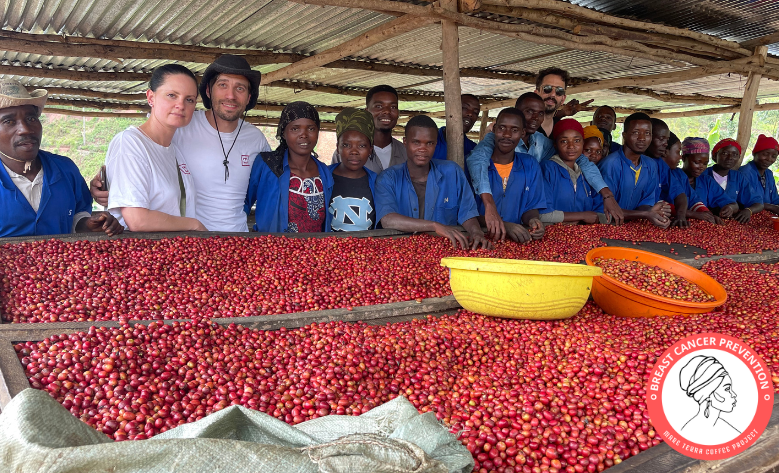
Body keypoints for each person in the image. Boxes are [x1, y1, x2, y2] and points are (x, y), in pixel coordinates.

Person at [92, 55, 271, 232]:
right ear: (209, 91)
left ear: (249, 97)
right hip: (178, 244)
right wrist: (106, 183)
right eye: (223, 85)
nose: (230, 95)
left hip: (227, 241)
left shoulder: (255, 139)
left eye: (189, 100)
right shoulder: (176, 128)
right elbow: (136, 151)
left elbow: (270, 184)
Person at [467, 92, 623, 239]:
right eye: (529, 111)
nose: (535, 118)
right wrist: (489, 205)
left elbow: (579, 160)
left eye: (540, 113)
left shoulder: (539, 148)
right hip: (483, 233)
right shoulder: (491, 144)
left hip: (520, 234)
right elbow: (477, 161)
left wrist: (606, 194)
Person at [0, 80, 122, 237]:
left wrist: (88, 224)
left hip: (62, 262)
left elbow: (77, 215)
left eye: (31, 119)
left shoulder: (65, 169)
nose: (25, 129)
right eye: (9, 121)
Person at [105, 65, 205, 232]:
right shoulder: (131, 143)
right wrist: (194, 225)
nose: (180, 105)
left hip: (173, 252)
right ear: (151, 97)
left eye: (189, 99)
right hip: (141, 253)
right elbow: (137, 220)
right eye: (172, 95)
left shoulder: (174, 151)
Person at [374, 115, 491, 250]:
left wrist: (476, 232)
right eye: (416, 142)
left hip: (446, 249)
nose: (423, 149)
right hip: (402, 252)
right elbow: (388, 219)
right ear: (405, 142)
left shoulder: (452, 172)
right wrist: (435, 226)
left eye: (429, 143)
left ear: (435, 144)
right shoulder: (388, 178)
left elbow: (467, 213)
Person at [245, 102, 333, 233]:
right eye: (295, 129)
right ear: (284, 133)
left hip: (315, 251)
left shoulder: (324, 171)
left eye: (311, 129)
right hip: (274, 250)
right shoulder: (268, 165)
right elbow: (244, 204)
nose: (304, 135)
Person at [471, 108, 547, 243]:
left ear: (523, 133)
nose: (506, 135)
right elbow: (466, 212)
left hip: (518, 241)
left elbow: (531, 206)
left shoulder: (530, 165)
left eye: (514, 130)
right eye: (502, 128)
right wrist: (504, 225)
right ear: (494, 129)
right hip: (480, 241)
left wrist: (533, 220)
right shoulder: (475, 166)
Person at [597, 113, 670, 228]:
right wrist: (646, 214)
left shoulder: (651, 165)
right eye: (636, 133)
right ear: (624, 135)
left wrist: (655, 212)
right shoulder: (610, 165)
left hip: (634, 227)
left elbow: (646, 202)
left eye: (647, 133)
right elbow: (606, 209)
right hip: (606, 226)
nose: (642, 138)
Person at [540, 119, 606, 226]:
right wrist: (583, 216)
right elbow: (542, 214)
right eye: (564, 141)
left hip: (583, 238)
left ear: (583, 143)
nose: (571, 146)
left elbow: (601, 211)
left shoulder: (586, 173)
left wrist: (596, 217)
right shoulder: (547, 169)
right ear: (555, 145)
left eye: (576, 140)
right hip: (552, 236)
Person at [332, 85, 407, 174]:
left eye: (393, 107)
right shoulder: (345, 153)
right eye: (379, 106)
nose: (387, 111)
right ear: (367, 112)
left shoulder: (406, 153)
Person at [328, 108, 378, 232]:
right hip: (327, 249)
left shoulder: (377, 182)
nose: (354, 152)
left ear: (370, 149)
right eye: (346, 145)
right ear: (338, 148)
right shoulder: (323, 177)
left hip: (367, 250)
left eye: (361, 146)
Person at [679, 355, 740, 445]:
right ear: (707, 394)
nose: (734, 394)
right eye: (727, 389)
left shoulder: (728, 429)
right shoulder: (688, 433)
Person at [704, 138, 763, 223]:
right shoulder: (703, 175)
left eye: (735, 154)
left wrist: (748, 211)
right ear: (714, 156)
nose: (730, 158)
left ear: (739, 157)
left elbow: (758, 203)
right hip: (707, 220)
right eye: (725, 153)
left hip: (729, 222)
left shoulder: (738, 178)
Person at [679, 137, 737, 223]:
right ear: (683, 158)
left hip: (702, 228)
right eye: (697, 162)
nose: (701, 167)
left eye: (705, 163)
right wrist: (699, 215)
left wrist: (729, 209)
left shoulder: (706, 181)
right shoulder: (673, 178)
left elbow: (732, 204)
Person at [534, 67, 592, 137]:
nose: (552, 94)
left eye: (559, 91)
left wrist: (562, 113)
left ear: (563, 99)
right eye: (547, 88)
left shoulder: (560, 131)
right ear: (536, 94)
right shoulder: (522, 126)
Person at [739, 134, 779, 216]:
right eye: (765, 154)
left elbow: (775, 199)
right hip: (748, 216)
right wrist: (772, 207)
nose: (769, 159)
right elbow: (748, 201)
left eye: (773, 156)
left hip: (768, 216)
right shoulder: (744, 173)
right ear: (754, 154)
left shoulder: (769, 174)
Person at [432, 94, 480, 161]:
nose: (470, 114)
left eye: (475, 112)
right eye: (464, 108)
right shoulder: (430, 141)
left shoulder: (473, 150)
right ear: (451, 110)